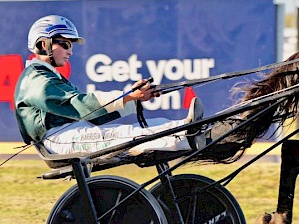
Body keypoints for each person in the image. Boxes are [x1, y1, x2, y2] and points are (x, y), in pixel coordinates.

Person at [14, 15, 205, 156]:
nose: (70, 51)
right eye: (65, 44)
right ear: (42, 44)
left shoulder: (46, 76)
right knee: (126, 134)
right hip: (58, 140)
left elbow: (91, 117)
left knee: (150, 124)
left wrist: (134, 99)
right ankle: (188, 135)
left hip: (68, 134)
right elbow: (81, 105)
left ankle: (186, 129)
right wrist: (129, 96)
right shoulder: (36, 79)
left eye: (71, 46)